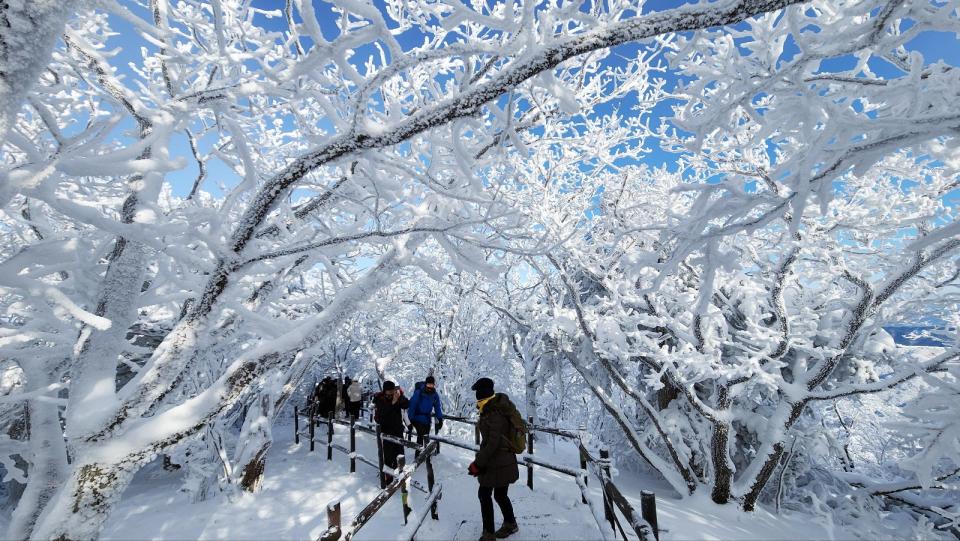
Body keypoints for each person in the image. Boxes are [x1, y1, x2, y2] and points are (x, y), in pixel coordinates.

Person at [468, 377, 519, 541]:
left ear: (482, 394)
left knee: (484, 494)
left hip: (498, 462)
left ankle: (489, 534)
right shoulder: (490, 409)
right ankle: (510, 523)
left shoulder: (494, 413)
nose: (476, 397)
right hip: (500, 461)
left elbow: (492, 444)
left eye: (478, 393)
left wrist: (478, 463)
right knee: (499, 494)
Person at [373, 380, 409, 486]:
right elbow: (382, 416)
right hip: (386, 431)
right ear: (384, 391)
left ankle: (400, 476)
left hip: (397, 430)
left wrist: (400, 397)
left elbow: (407, 405)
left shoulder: (396, 397)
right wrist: (393, 403)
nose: (390, 394)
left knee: (400, 453)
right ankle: (388, 479)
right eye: (388, 392)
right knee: (388, 455)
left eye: (391, 391)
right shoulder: (380, 400)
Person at [407, 375, 443, 451]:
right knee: (421, 435)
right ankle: (418, 456)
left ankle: (426, 457)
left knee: (426, 437)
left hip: (426, 419)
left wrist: (440, 418)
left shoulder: (435, 395)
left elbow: (437, 407)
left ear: (434, 385)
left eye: (431, 384)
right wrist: (409, 419)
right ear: (426, 384)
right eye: (428, 384)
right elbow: (412, 404)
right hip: (416, 417)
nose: (430, 386)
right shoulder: (419, 392)